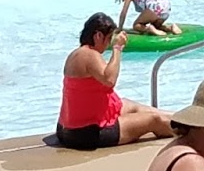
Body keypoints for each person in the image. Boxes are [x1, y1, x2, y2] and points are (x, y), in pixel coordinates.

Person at [55, 11, 173, 150]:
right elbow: (110, 80)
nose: (109, 43)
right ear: (98, 35)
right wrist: (117, 48)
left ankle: (176, 116)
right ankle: (190, 130)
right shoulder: (89, 55)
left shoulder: (78, 54)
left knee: (130, 105)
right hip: (86, 134)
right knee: (154, 120)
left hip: (68, 129)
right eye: (109, 38)